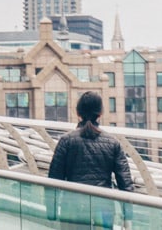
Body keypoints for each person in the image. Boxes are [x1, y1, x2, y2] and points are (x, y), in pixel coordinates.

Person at [47, 91, 133, 229]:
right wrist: (127, 217)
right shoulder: (113, 142)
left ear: (78, 113)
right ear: (100, 113)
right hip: (104, 206)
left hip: (72, 206)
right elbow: (125, 183)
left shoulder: (66, 141)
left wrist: (51, 214)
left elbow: (53, 180)